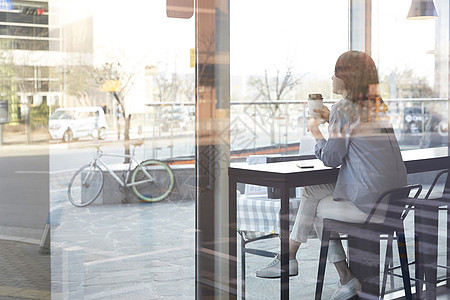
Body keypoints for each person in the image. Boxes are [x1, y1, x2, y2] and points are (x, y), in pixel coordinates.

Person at [256, 51, 407, 300]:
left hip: (369, 206)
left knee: (314, 209)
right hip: (394, 203)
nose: (331, 77)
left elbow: (331, 158)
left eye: (335, 72)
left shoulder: (344, 108)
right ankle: (299, 261)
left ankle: (314, 267)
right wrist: (332, 120)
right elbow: (355, 139)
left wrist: (315, 130)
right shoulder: (376, 108)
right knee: (312, 192)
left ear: (347, 77)